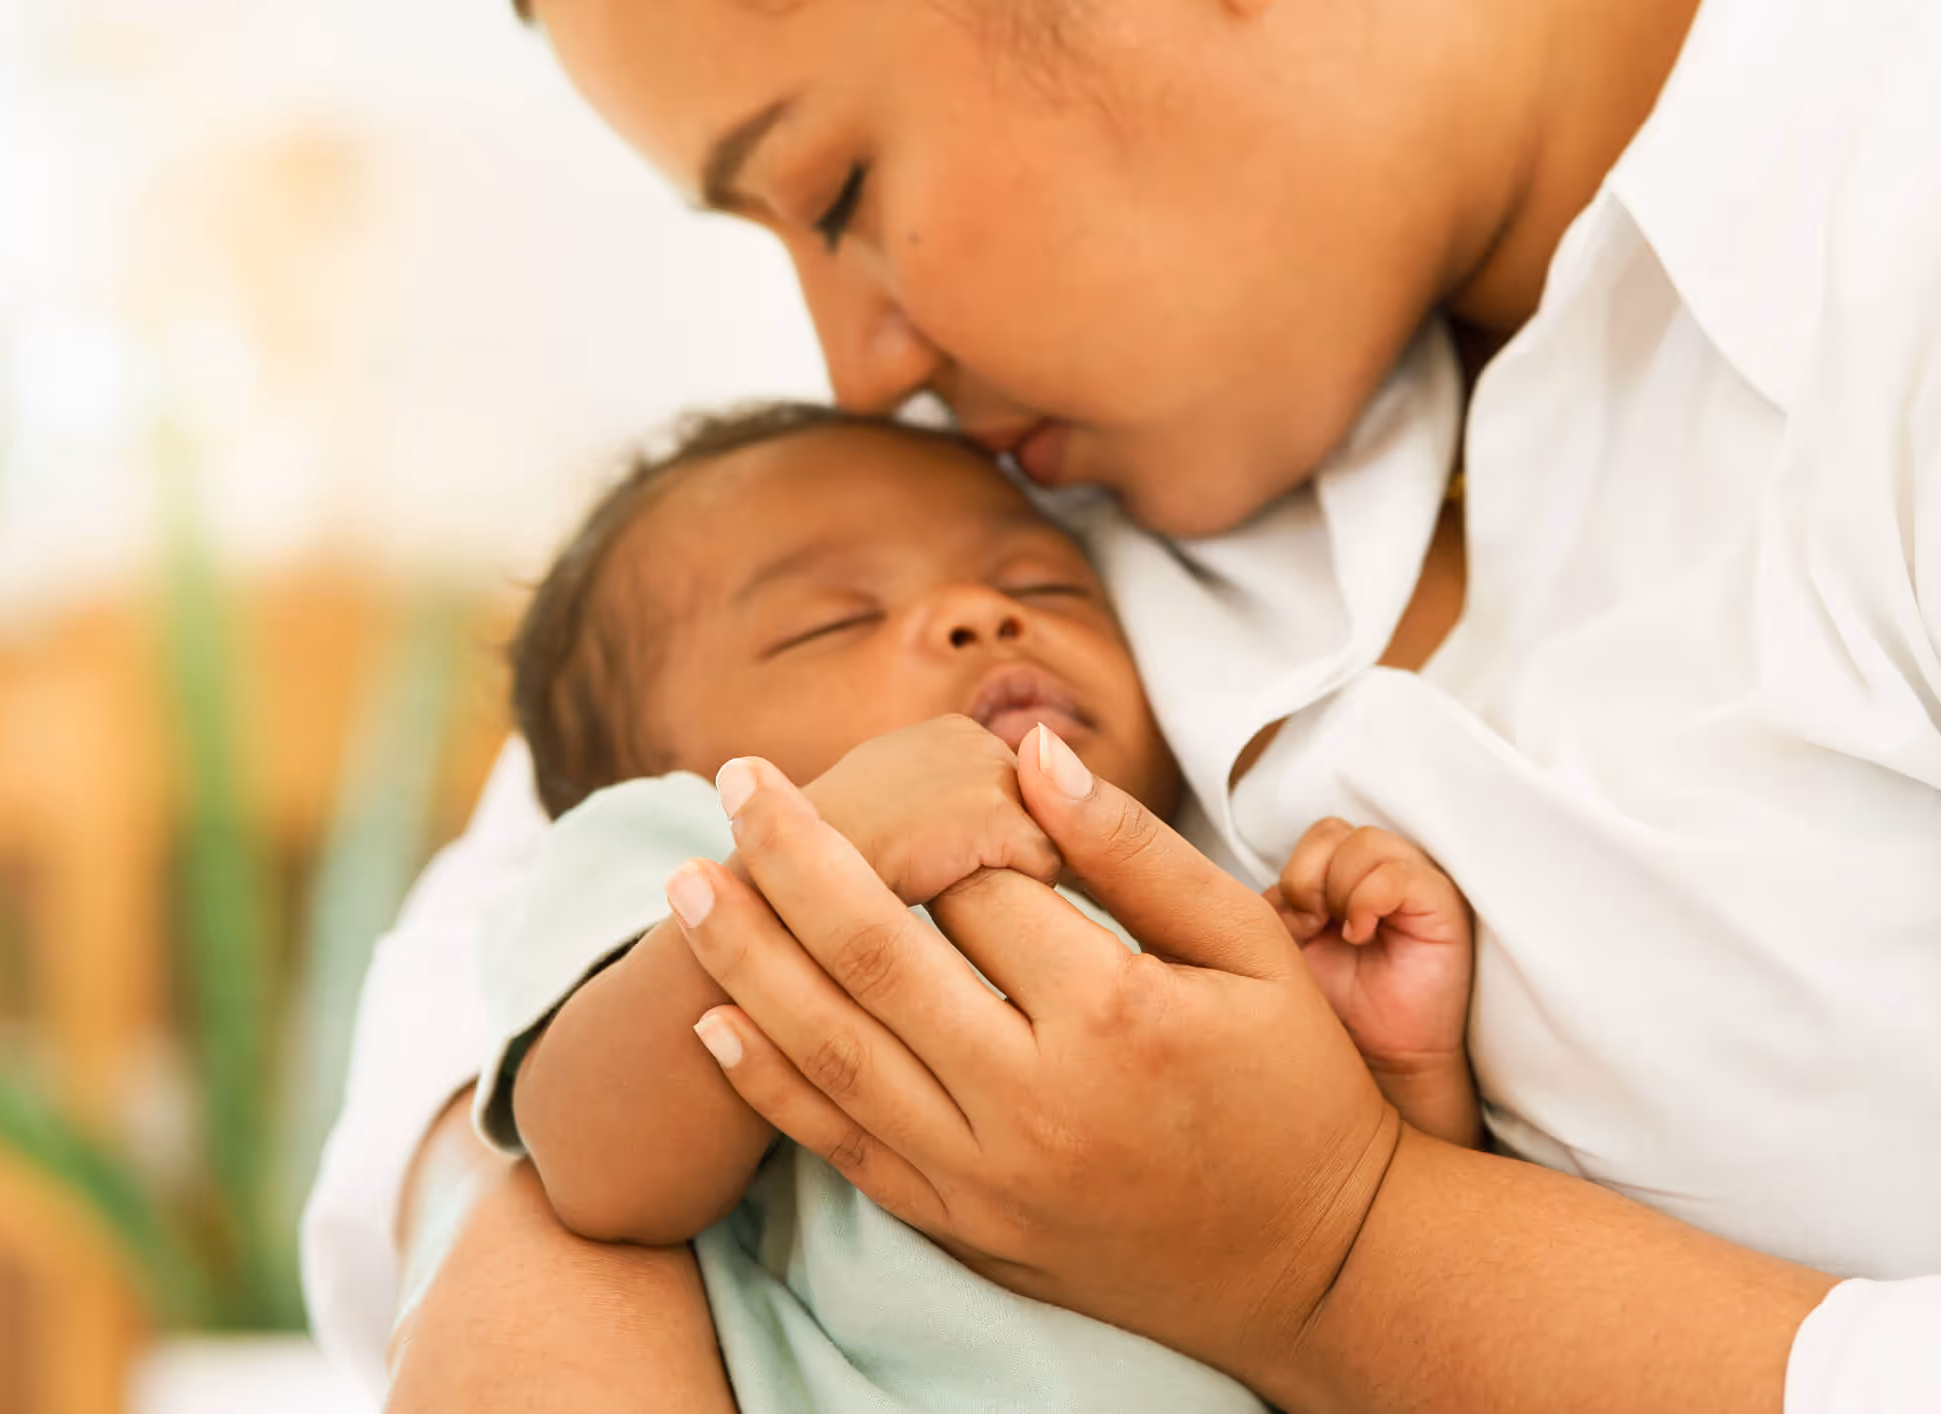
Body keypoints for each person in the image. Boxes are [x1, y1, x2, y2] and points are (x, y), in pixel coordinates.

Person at [307, 0, 1941, 1408]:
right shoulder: (1021, 468)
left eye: (839, 187)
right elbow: (531, 935)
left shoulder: (1880, 297)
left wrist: (1344, 1254)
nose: (862, 365)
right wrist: (549, 1246)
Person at [469, 401, 1479, 1411]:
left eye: (1043, 583)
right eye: (836, 620)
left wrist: (1391, 1078)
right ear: (652, 762)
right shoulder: (679, 841)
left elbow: (1373, 1288)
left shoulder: (1192, 898)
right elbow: (596, 1164)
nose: (982, 612)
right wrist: (811, 867)